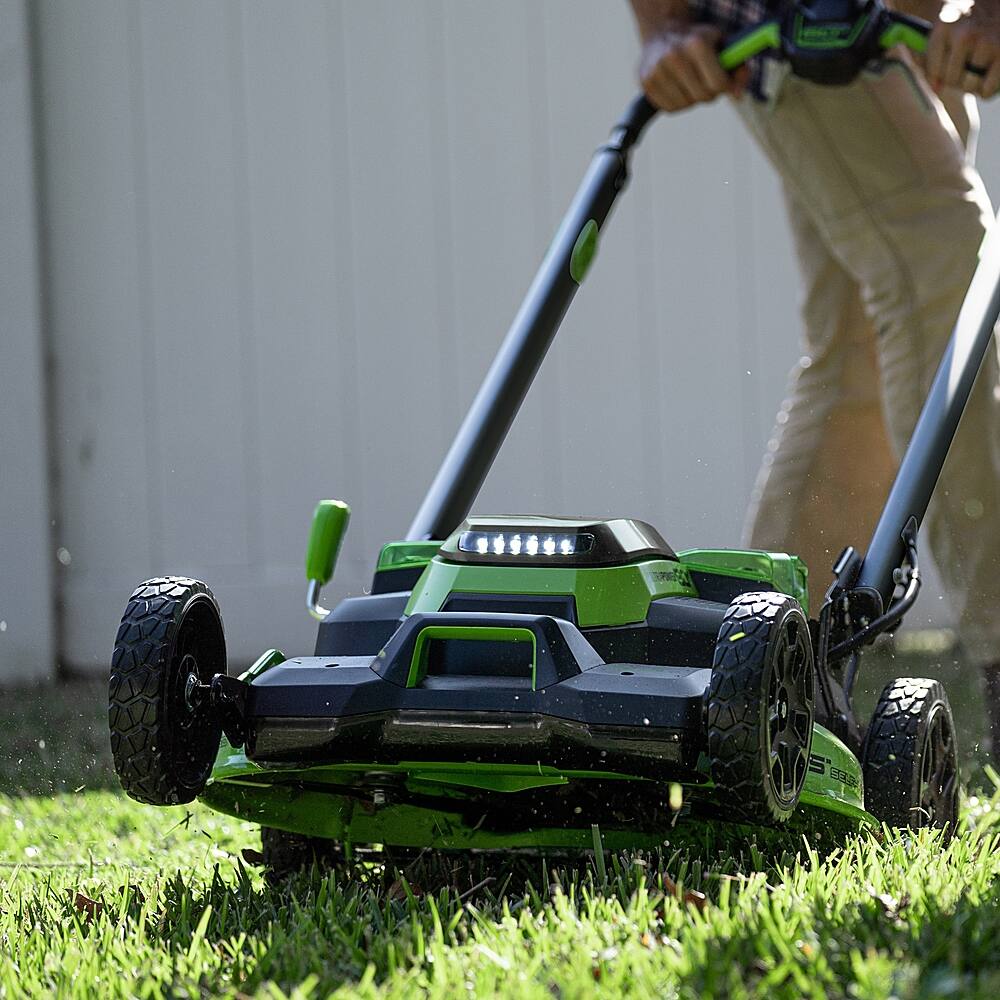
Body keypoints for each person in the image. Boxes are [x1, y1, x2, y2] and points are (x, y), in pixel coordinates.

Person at [628, 0, 1000, 752]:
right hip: (802, 22)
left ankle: (760, 684)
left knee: (861, 346)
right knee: (937, 266)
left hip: (904, 20)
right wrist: (662, 24)